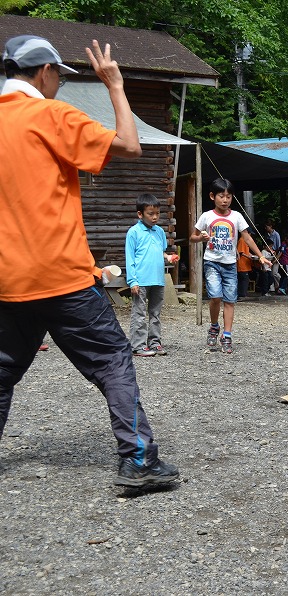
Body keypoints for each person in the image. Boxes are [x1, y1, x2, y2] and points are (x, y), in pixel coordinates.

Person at [0, 34, 178, 487]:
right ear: (44, 72)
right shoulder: (50, 114)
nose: (59, 83)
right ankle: (138, 461)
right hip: (62, 275)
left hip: (6, 280)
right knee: (113, 361)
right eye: (59, 74)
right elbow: (130, 145)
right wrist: (114, 85)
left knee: (2, 372)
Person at [190, 178, 270, 355]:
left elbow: (247, 238)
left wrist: (260, 256)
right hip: (211, 262)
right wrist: (201, 238)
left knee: (230, 300)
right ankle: (213, 326)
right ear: (212, 196)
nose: (225, 200)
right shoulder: (206, 216)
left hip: (230, 264)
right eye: (221, 196)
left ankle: (227, 335)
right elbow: (192, 237)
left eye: (228, 196)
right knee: (215, 296)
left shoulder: (237, 216)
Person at [126, 193, 178, 357]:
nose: (155, 217)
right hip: (140, 281)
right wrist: (132, 280)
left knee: (155, 313)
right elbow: (130, 258)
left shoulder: (160, 232)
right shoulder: (133, 232)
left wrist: (168, 257)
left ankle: (155, 343)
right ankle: (138, 346)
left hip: (158, 279)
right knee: (139, 313)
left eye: (157, 213)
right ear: (140, 214)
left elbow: (160, 251)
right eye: (150, 213)